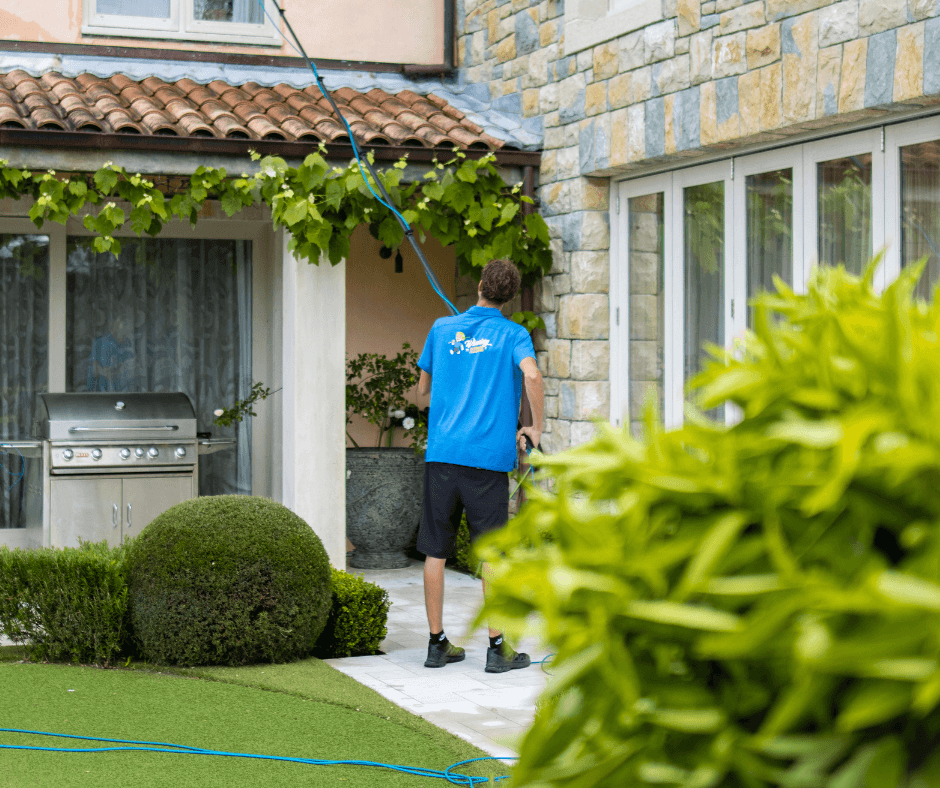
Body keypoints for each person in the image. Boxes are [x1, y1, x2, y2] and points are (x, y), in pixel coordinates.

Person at [415, 258, 544, 673]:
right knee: (493, 553)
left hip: (442, 455)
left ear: (480, 287)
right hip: (487, 461)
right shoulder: (514, 334)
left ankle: (437, 645)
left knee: (435, 549)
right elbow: (533, 377)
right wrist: (534, 427)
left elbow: (421, 391)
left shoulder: (441, 328)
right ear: (508, 298)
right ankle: (498, 648)